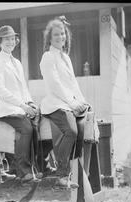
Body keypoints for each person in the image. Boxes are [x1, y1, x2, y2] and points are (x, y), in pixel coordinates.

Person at [39, 16, 92, 189]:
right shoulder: (48, 57)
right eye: (56, 35)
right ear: (49, 38)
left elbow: (72, 84)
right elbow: (56, 85)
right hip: (55, 103)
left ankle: (78, 172)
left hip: (68, 102)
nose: (60, 37)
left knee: (84, 126)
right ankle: (61, 174)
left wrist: (82, 101)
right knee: (70, 131)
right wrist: (72, 103)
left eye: (62, 34)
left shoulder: (65, 58)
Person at [0, 25, 43, 184]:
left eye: (12, 39)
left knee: (35, 125)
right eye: (7, 39)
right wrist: (21, 105)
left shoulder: (17, 62)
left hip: (20, 106)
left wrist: (30, 103)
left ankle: (36, 168)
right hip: (6, 108)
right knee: (26, 128)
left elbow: (23, 87)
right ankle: (23, 171)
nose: (10, 42)